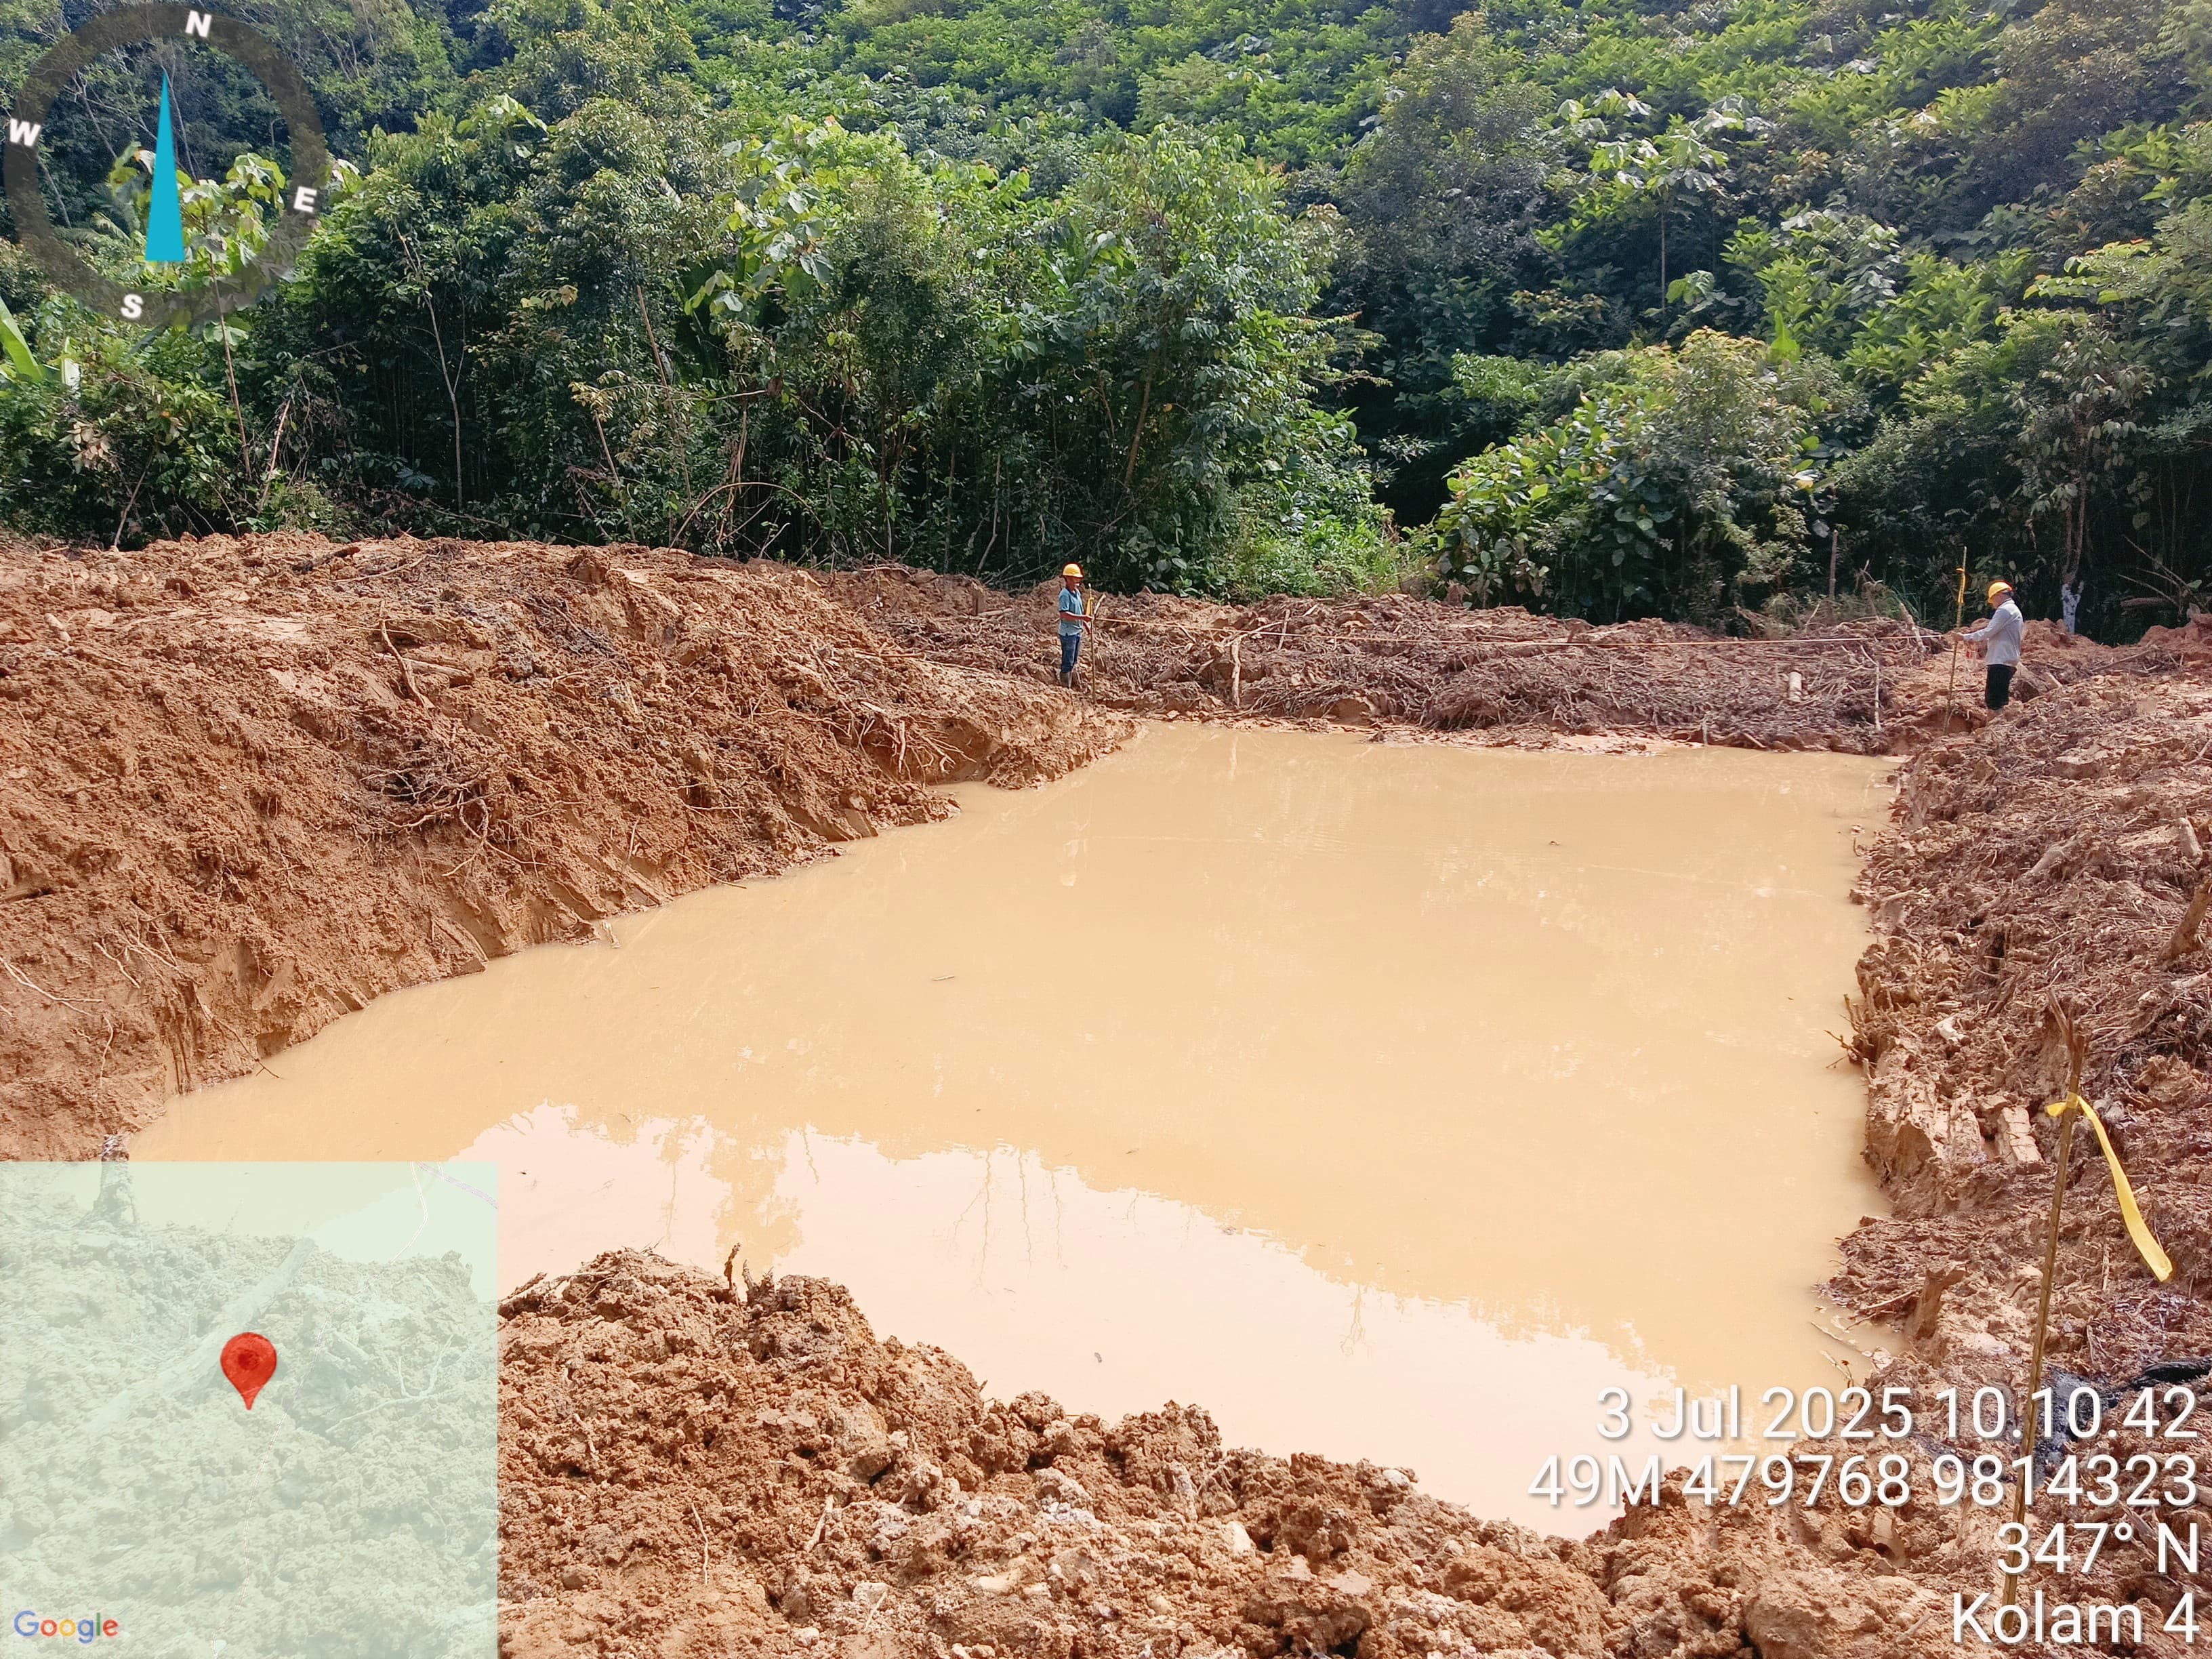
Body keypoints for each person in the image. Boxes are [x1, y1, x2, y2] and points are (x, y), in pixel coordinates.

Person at [1963, 580, 2024, 711]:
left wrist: (1966, 638)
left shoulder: (2005, 610)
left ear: (1999, 596)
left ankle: (1995, 728)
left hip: (2001, 660)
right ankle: (1996, 726)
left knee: (1994, 701)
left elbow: (1989, 631)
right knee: (1997, 698)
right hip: (2004, 659)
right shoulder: (2012, 610)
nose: (1993, 605)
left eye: (1993, 600)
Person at [1056, 563, 1091, 687]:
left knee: (1073, 660)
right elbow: (1064, 614)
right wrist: (1083, 618)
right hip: (1068, 634)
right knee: (1068, 661)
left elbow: (1079, 611)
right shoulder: (1065, 595)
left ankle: (1068, 684)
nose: (1078, 581)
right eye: (1075, 578)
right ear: (1068, 579)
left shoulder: (1077, 593)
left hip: (1076, 632)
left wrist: (1085, 624)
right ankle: (1065, 686)